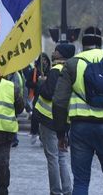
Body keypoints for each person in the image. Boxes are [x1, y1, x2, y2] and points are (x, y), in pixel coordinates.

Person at [52, 26, 103, 195]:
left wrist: (61, 133)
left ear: (83, 43)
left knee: (81, 181)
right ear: (101, 42)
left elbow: (59, 101)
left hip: (80, 127)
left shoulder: (72, 63)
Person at [34, 44, 74, 195]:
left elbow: (48, 93)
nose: (53, 52)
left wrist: (42, 82)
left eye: (56, 51)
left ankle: (55, 191)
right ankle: (67, 190)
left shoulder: (56, 70)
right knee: (62, 157)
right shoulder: (71, 70)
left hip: (48, 119)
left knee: (52, 158)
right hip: (64, 120)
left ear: (61, 54)